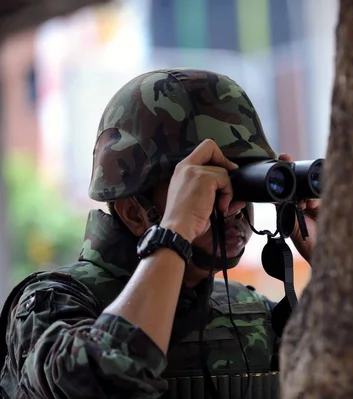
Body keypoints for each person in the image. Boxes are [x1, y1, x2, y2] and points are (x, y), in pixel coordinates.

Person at [0, 69, 319, 399]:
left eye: (242, 182)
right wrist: (175, 231)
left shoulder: (248, 311)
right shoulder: (50, 304)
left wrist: (331, 261)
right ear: (133, 211)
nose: (234, 206)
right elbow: (98, 383)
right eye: (204, 186)